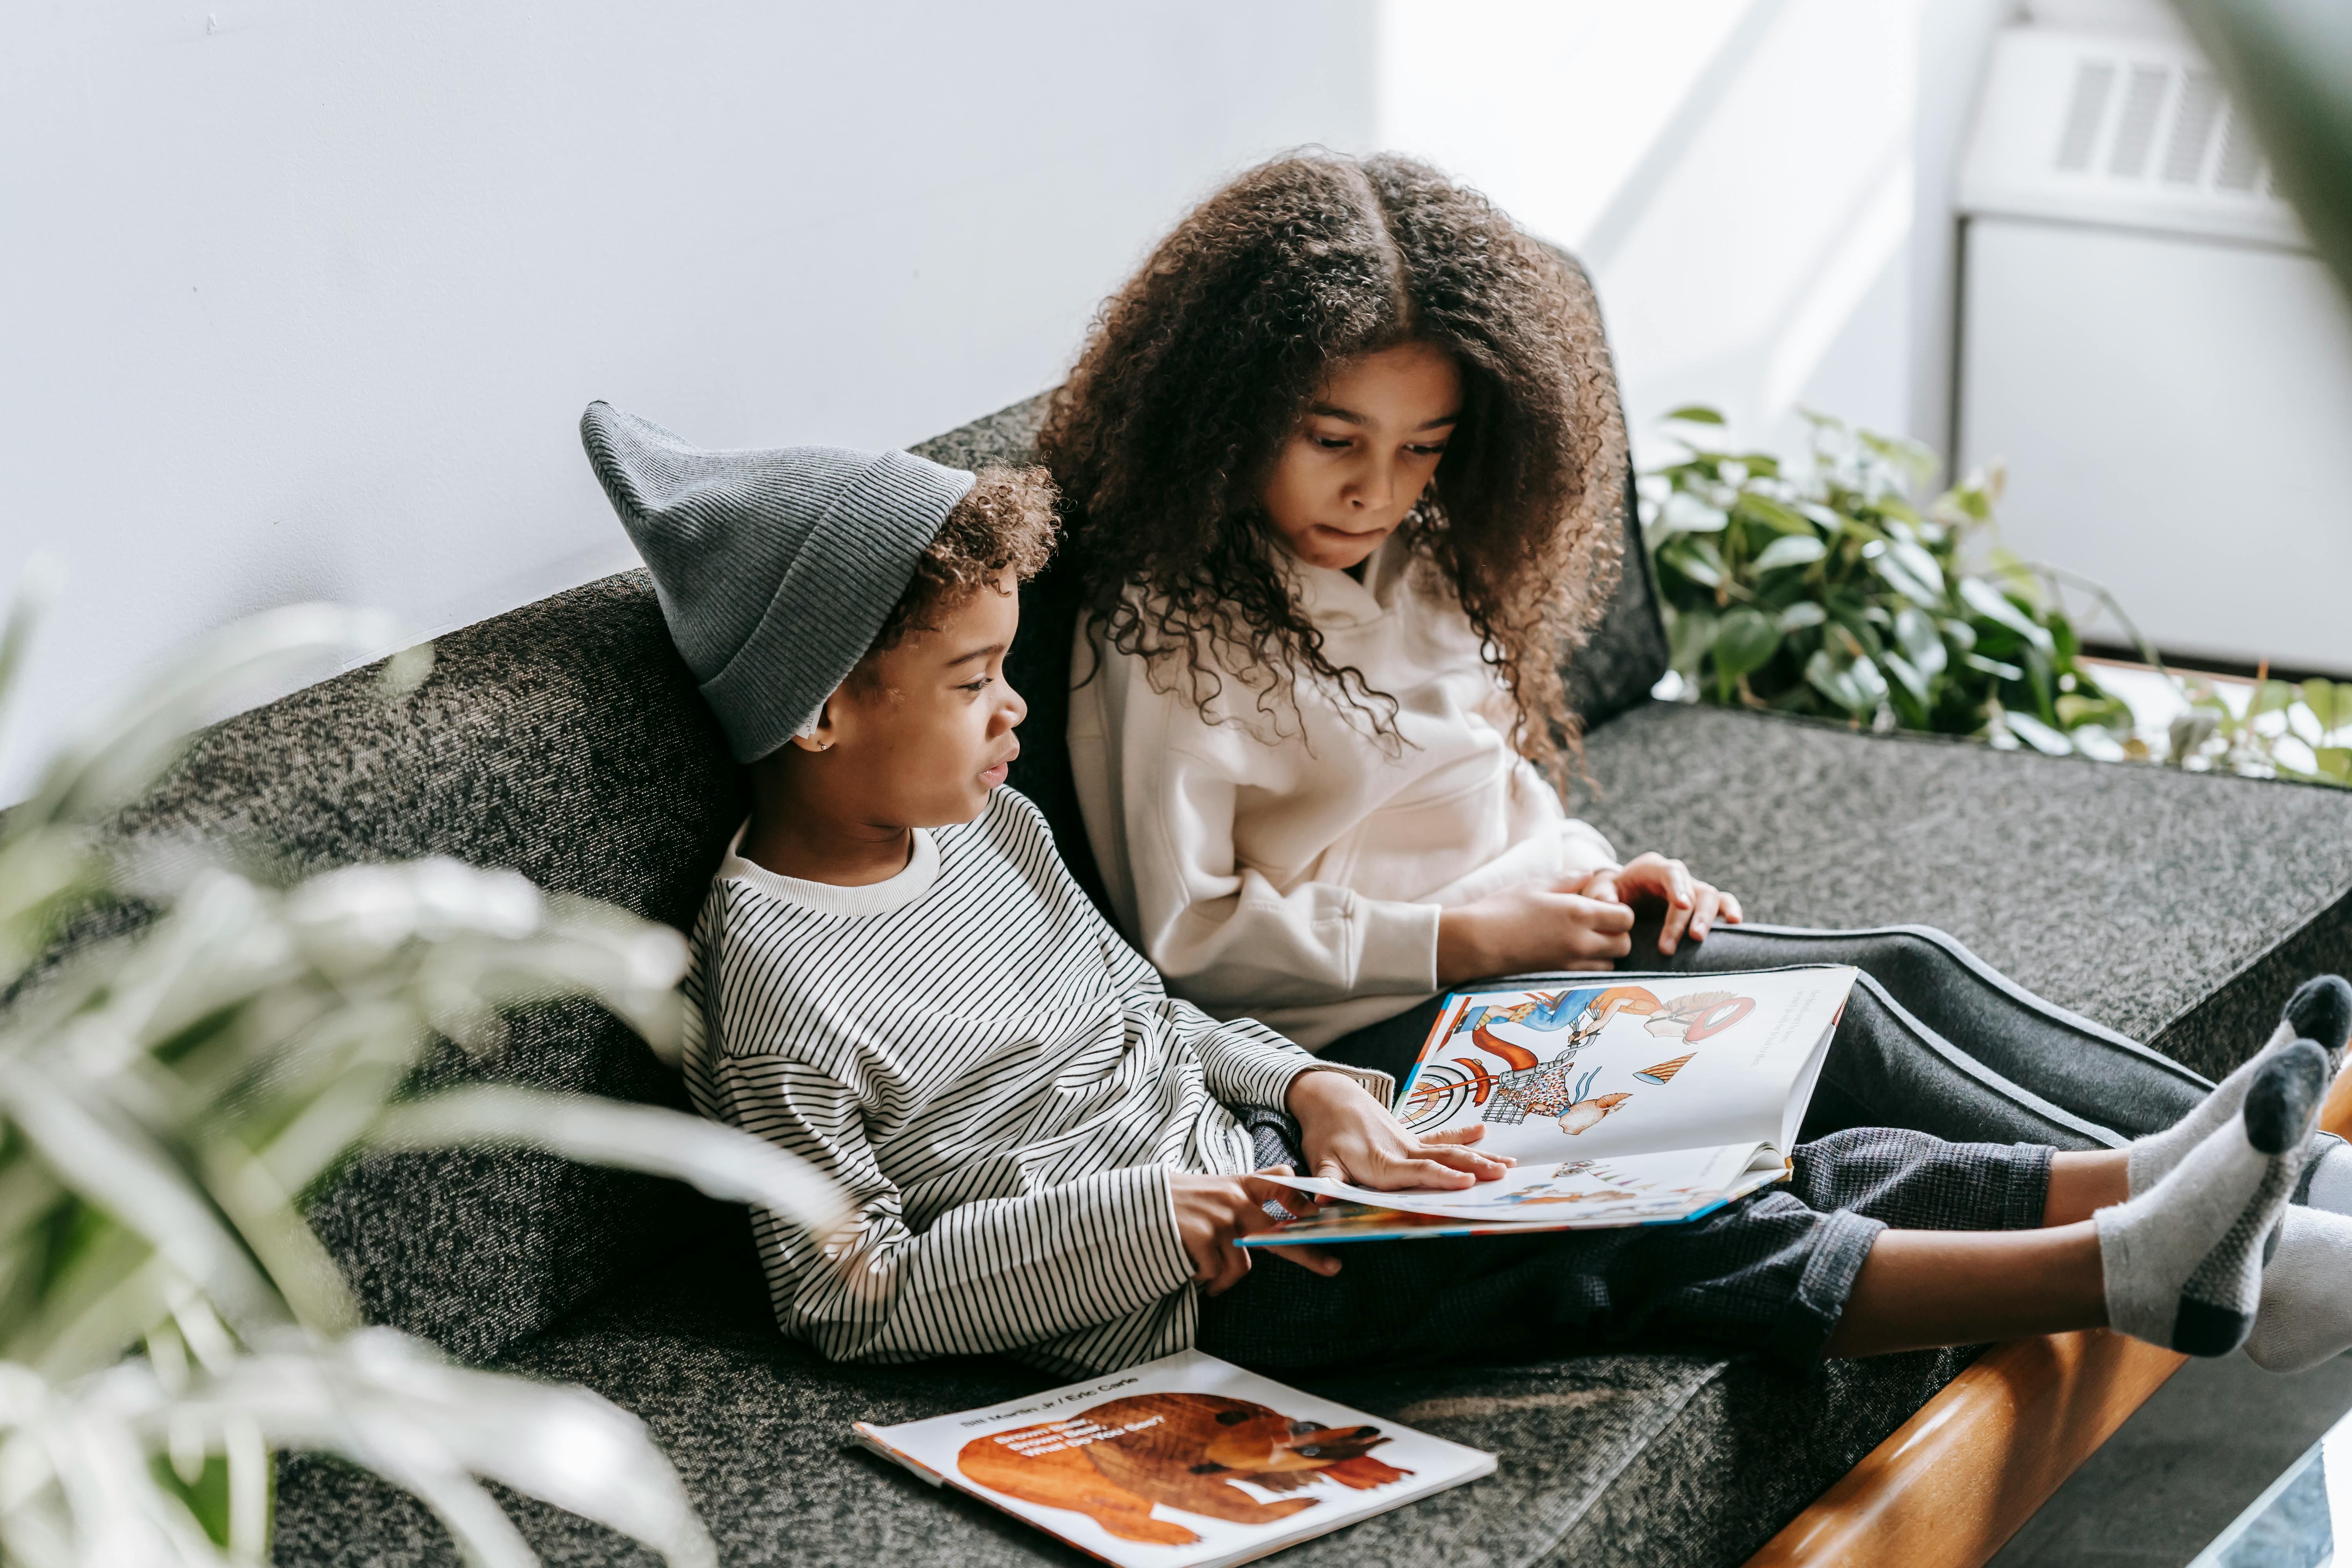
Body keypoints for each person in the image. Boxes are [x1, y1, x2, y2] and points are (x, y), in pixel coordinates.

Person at [576, 398, 2352, 1383]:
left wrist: (1320, 1085)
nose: (1013, 711)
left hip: (1292, 1170)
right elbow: (847, 1293)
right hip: (1211, 1287)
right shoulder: (773, 983)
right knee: (1659, 1233)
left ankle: (2170, 1188)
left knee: (1730, 1135)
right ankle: (2126, 1271)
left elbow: (1155, 1013)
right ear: (819, 710)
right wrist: (1167, 1221)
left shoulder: (992, 837)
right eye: (973, 683)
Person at [1040, 149, 2352, 1261]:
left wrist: (1600, 874)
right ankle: (2252, 1221)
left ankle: (2280, 1171)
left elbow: (1492, 793)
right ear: (1222, 409)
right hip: (1378, 1038)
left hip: (1532, 958)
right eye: (1335, 439)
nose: (1379, 488)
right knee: (1845, 1019)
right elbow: (1186, 939)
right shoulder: (1159, 629)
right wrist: (1471, 940)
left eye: (1424, 446)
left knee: (1905, 961)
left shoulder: (1419, 559)